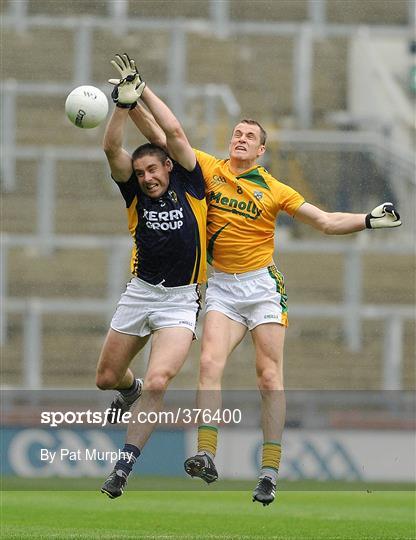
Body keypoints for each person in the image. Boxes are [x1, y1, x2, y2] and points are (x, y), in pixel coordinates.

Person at [121, 58, 402, 506]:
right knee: (209, 365)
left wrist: (368, 220)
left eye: (250, 136)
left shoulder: (274, 189)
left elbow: (325, 221)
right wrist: (134, 99)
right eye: (237, 133)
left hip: (261, 288)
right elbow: (162, 137)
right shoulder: (208, 170)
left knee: (269, 377)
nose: (241, 138)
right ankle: (206, 455)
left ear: (261, 150)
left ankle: (269, 471)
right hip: (222, 289)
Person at [96, 54, 207, 499]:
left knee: (161, 381)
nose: (146, 178)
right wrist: (120, 106)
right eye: (140, 173)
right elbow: (110, 149)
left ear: (168, 167)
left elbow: (173, 134)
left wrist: (140, 92)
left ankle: (123, 468)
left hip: (181, 300)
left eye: (153, 170)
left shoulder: (192, 182)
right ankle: (131, 389)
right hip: (140, 293)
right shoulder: (133, 193)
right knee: (107, 378)